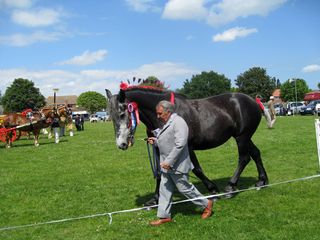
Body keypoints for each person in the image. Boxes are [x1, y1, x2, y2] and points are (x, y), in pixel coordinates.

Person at [147, 100, 213, 226]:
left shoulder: (178, 122)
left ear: (168, 111)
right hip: (166, 165)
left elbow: (180, 144)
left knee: (184, 188)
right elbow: (167, 139)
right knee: (164, 190)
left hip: (176, 165)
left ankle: (206, 204)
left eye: (160, 113)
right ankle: (164, 216)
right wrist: (155, 141)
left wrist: (169, 161)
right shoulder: (167, 122)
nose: (158, 116)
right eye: (157, 113)